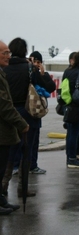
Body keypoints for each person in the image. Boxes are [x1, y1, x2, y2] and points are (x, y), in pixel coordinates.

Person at [2, 38, 55, 198]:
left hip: (9, 114)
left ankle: (3, 187)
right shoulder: (29, 68)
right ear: (25, 51)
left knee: (9, 152)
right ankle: (22, 189)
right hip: (28, 113)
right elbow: (50, 87)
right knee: (27, 151)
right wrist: (42, 72)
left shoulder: (4, 68)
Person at [0, 40, 29, 214]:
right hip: (2, 130)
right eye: (5, 53)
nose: (8, 56)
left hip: (5, 129)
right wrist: (22, 123)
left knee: (3, 166)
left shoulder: (3, 72)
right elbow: (4, 105)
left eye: (9, 53)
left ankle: (1, 199)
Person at [28, 51, 55, 174]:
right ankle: (24, 165)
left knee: (34, 139)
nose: (37, 65)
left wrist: (43, 74)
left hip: (36, 109)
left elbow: (51, 87)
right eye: (35, 62)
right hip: (27, 108)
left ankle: (33, 164)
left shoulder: (42, 74)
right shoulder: (27, 72)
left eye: (39, 62)